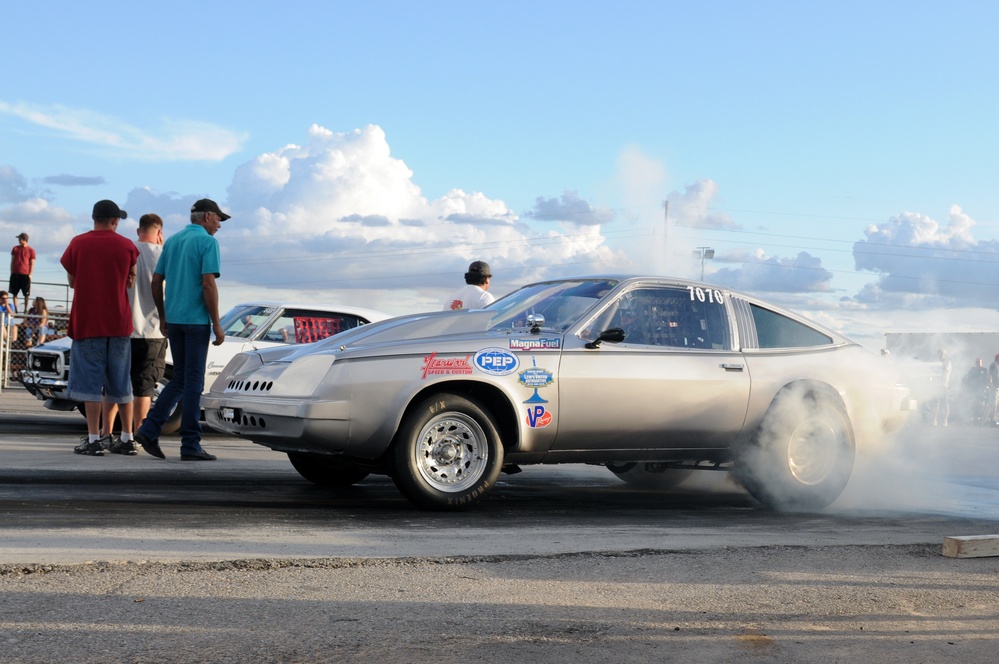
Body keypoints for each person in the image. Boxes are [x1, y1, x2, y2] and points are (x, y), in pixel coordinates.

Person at [135, 198, 229, 461]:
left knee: (180, 380)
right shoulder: (208, 243)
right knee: (193, 383)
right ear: (208, 216)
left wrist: (163, 316)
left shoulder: (173, 241)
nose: (219, 225)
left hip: (174, 321)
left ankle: (149, 429)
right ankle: (190, 444)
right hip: (196, 322)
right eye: (219, 219)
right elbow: (208, 284)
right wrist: (217, 324)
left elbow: (156, 283)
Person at [61, 199, 139, 456]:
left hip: (88, 322)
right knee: (121, 382)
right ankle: (127, 438)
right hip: (118, 322)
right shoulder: (127, 246)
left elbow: (73, 281)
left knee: (89, 385)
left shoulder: (78, 244)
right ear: (115, 221)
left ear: (93, 218)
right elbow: (130, 280)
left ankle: (94, 439)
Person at [127, 213, 167, 445]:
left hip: (125, 328)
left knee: (118, 383)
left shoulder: (127, 251)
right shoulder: (163, 255)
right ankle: (138, 433)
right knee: (145, 385)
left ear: (138, 230)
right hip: (153, 331)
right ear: (159, 232)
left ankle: (107, 432)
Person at [10, 232, 35, 314]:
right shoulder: (15, 248)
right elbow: (12, 260)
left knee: (26, 294)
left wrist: (30, 274)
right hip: (15, 273)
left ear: (25, 240)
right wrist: (11, 272)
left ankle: (25, 309)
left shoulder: (31, 250)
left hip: (25, 274)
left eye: (20, 239)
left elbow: (32, 263)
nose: (19, 240)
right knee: (14, 292)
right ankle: (15, 308)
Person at [933, 348, 952, 427]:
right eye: (939, 353)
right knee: (936, 403)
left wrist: (936, 366)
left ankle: (945, 420)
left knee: (945, 403)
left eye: (941, 353)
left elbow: (944, 370)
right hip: (936, 386)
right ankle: (935, 419)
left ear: (945, 354)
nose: (940, 355)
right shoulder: (936, 362)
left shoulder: (947, 362)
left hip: (944, 386)